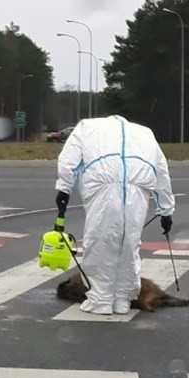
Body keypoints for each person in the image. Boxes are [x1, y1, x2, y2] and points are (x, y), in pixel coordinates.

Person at [54, 114, 175, 315]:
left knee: (101, 241)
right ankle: (123, 299)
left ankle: (101, 299)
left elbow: (69, 159)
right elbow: (161, 171)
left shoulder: (86, 127)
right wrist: (165, 209)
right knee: (129, 242)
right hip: (138, 183)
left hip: (102, 181)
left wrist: (64, 188)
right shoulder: (145, 133)